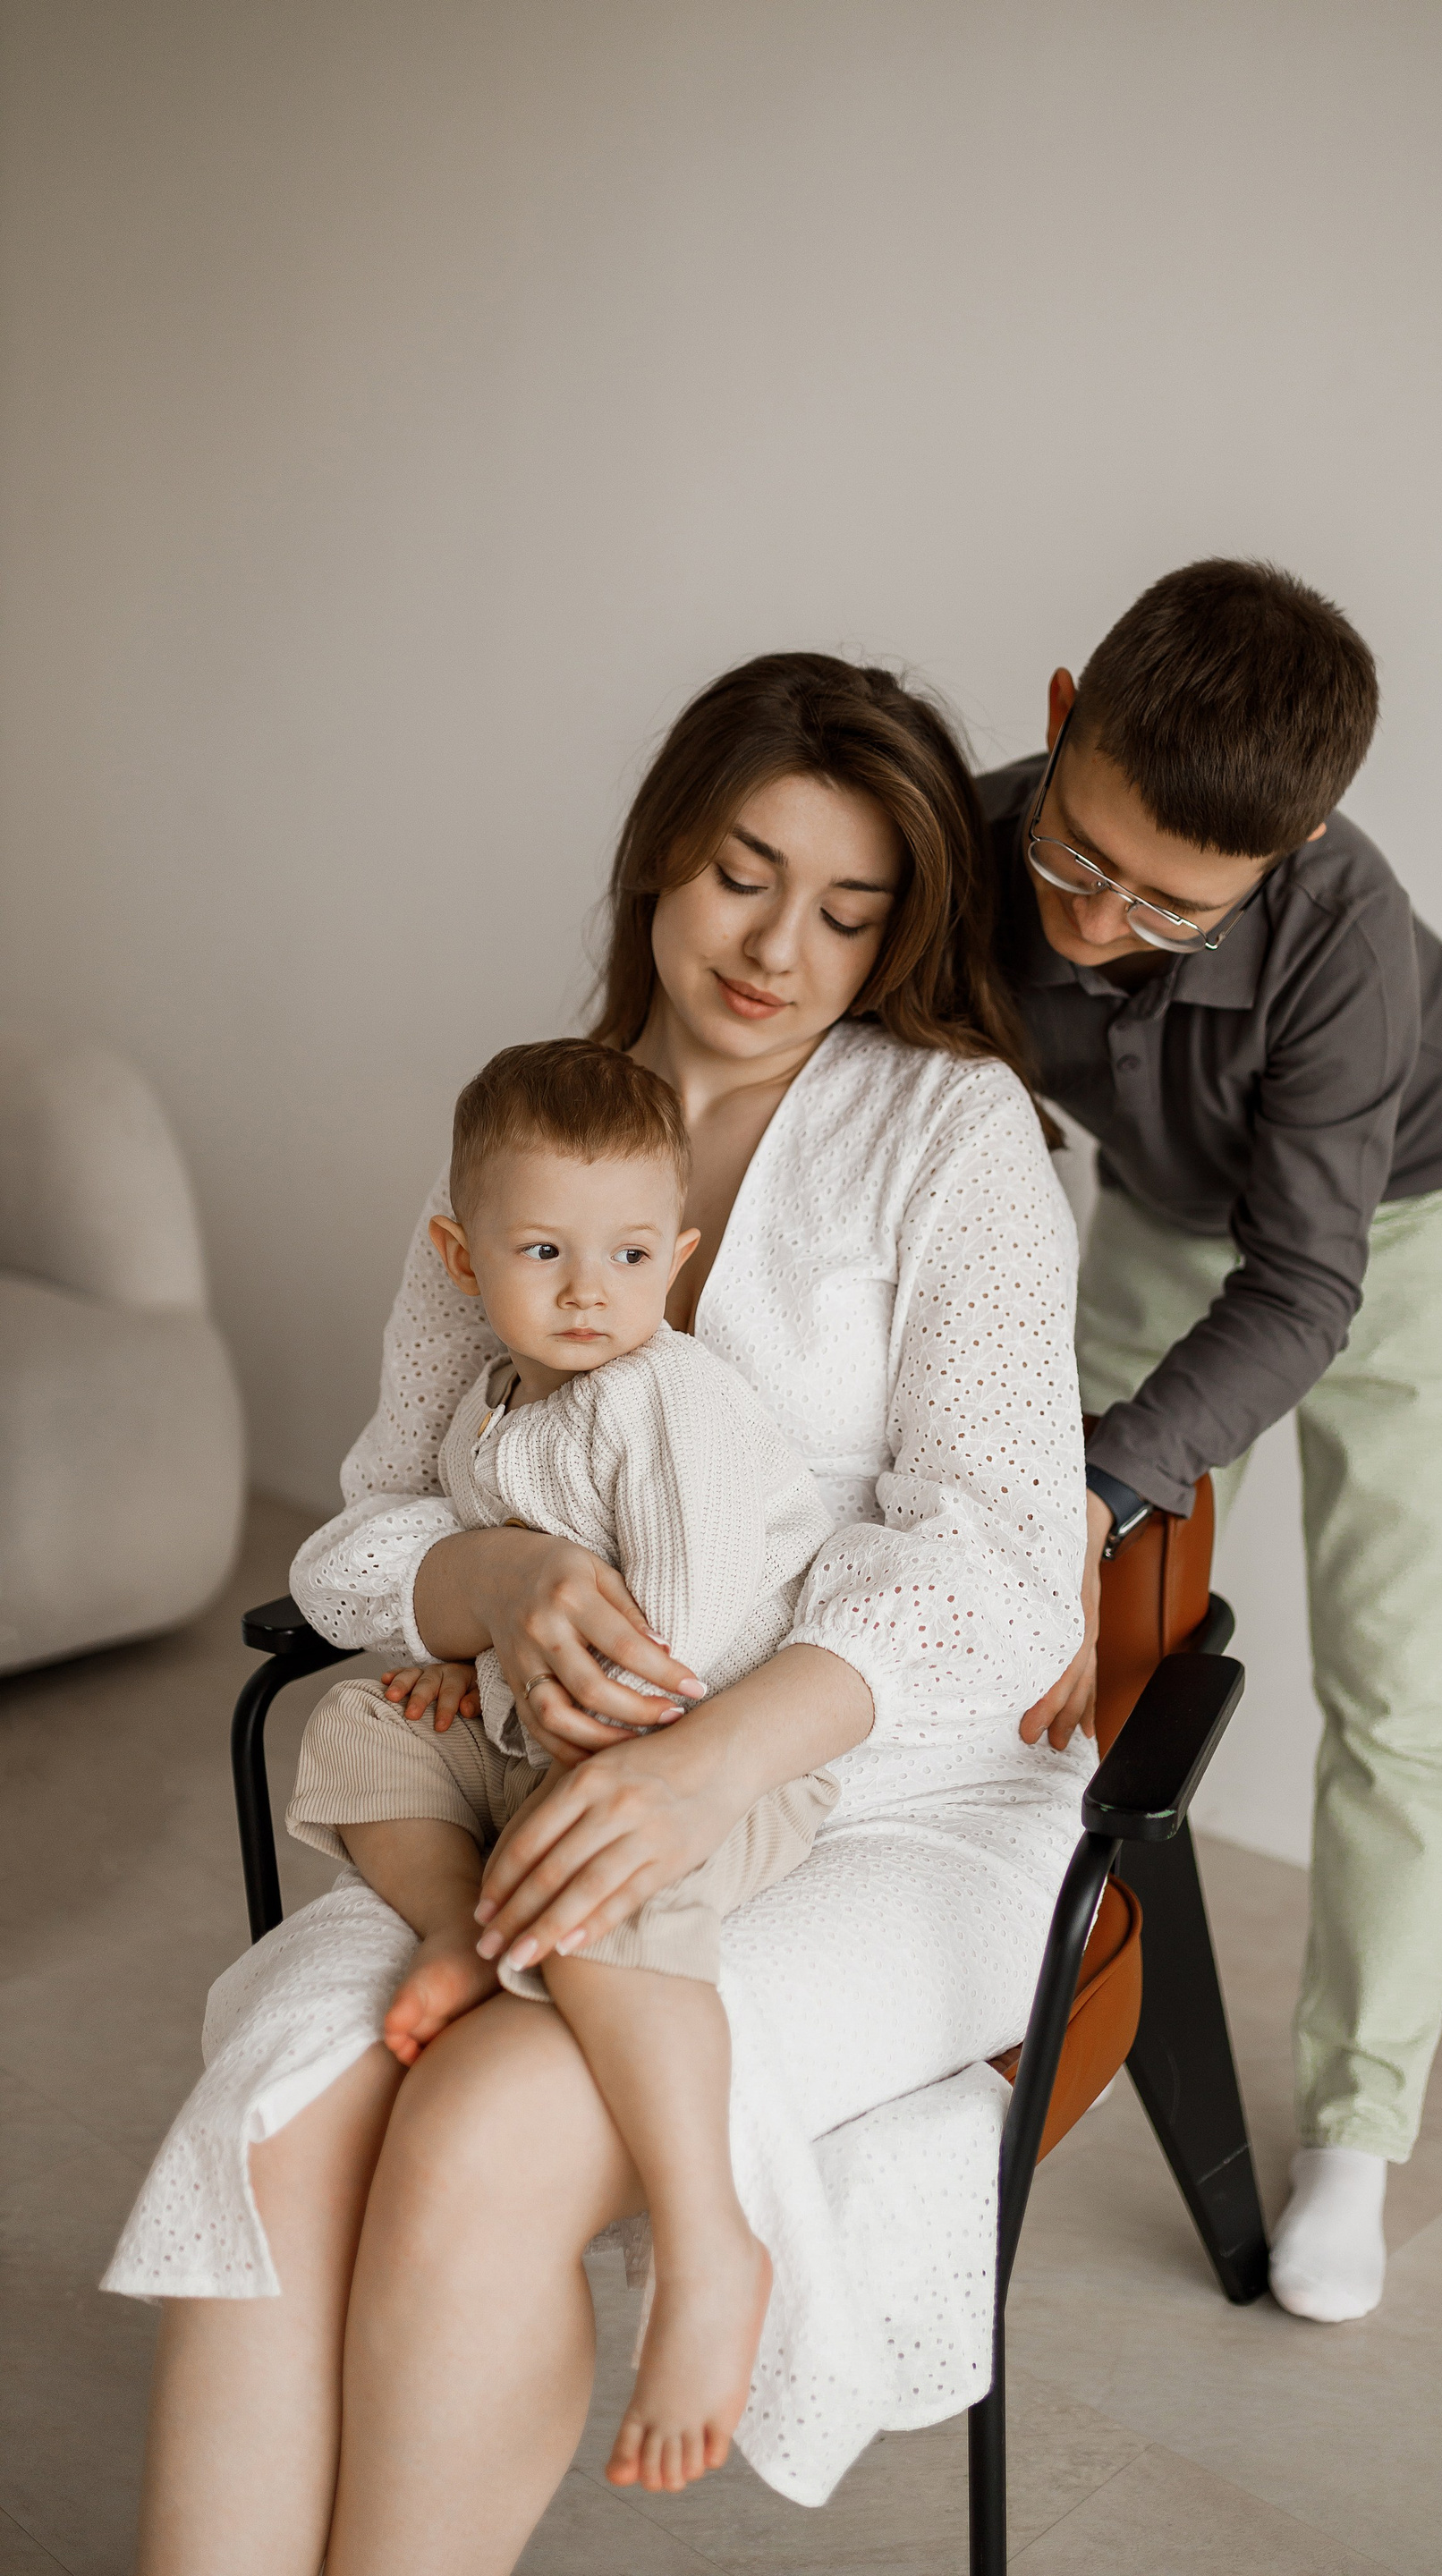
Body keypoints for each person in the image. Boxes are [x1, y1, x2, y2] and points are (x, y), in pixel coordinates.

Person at [105, 651, 1090, 2567]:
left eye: (849, 910)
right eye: (742, 875)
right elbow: (369, 1527)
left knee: (480, 2128)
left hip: (892, 1796)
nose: (779, 949)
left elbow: (1000, 1559)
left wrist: (703, 1769)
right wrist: (496, 1581)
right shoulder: (526, 1134)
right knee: (283, 2120)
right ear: (657, 854)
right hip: (534, 1775)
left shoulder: (948, 1133)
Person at [995, 559, 1442, 2325]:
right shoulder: (958, 840)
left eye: (1167, 907)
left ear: (1286, 857)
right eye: (1081, 858)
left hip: (1396, 1238)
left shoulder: (1348, 932)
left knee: (1399, 1689)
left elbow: (1306, 1287)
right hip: (1163, 1218)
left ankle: (1357, 2132)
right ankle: (1013, 1969)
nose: (1095, 922)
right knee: (1042, 1610)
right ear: (1061, 719)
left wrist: (1104, 1478)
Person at [283, 1035, 840, 2487]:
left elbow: (676, 1636)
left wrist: (518, 1683)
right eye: (544, 1252)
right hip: (550, 1729)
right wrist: (463, 1660)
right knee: (356, 1727)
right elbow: (493, 1587)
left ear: (680, 1257)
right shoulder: (492, 1405)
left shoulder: (667, 1399)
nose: (591, 1289)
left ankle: (710, 2240)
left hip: (693, 1747)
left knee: (599, 1889)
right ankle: (461, 1931)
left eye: (631, 1254)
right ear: (462, 1260)